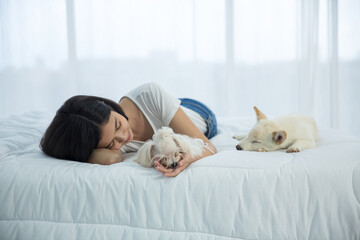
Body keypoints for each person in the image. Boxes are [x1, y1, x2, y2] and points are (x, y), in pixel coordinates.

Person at [40, 82, 217, 177]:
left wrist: (185, 160)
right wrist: (85, 153)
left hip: (198, 113)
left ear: (104, 104)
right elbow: (110, 159)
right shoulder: (101, 139)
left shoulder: (150, 93)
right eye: (112, 143)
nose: (124, 137)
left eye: (117, 124)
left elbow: (209, 147)